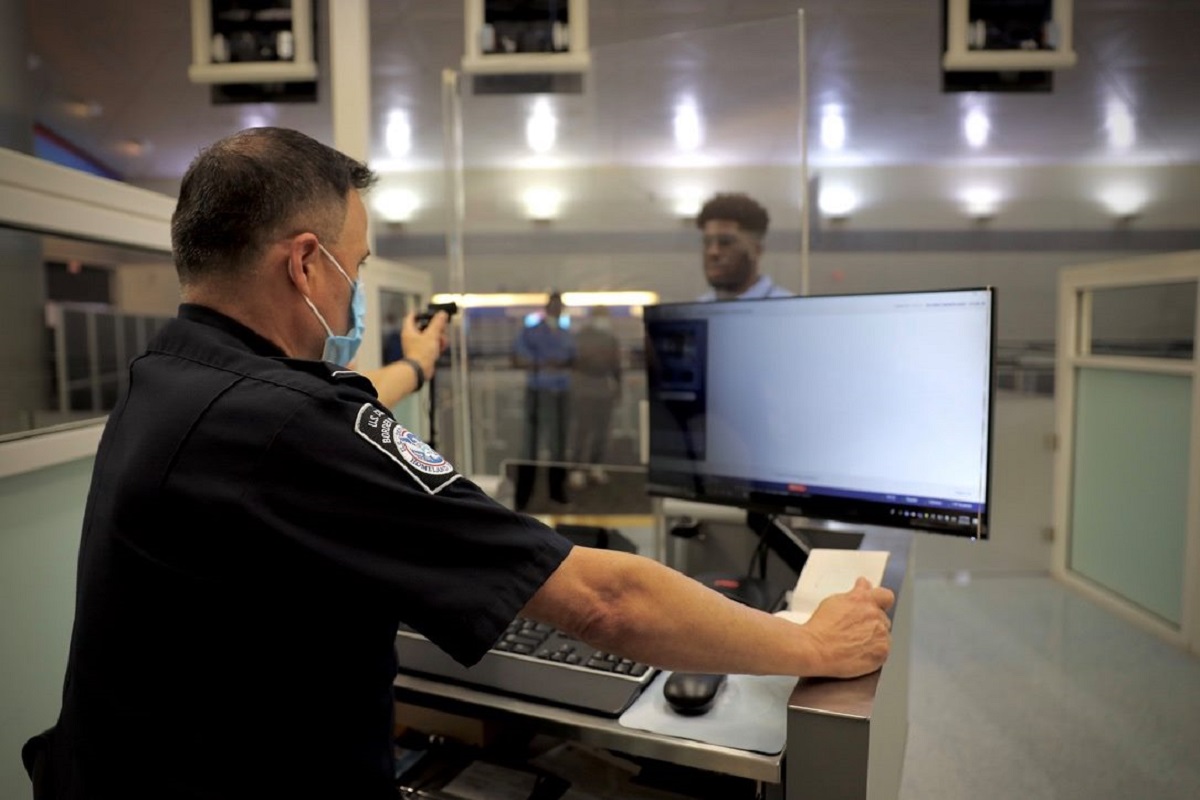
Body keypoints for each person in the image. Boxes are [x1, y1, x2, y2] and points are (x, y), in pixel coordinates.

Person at [31, 128, 893, 799]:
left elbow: (305, 411)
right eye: (354, 267)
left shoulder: (171, 375)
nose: (353, 290)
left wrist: (411, 369)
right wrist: (807, 639)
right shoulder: (293, 426)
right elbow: (605, 600)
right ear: (303, 263)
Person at [511, 291, 575, 510]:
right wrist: (543, 363)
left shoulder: (566, 334)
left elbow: (573, 359)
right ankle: (523, 497)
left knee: (559, 445)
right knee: (530, 445)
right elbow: (520, 358)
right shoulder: (532, 332)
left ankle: (557, 492)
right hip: (539, 393)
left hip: (562, 393)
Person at [696, 192, 792, 301]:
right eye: (707, 243)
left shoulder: (789, 309)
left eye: (725, 242)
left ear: (756, 250)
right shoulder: (697, 309)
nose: (713, 252)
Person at [568, 305, 622, 489]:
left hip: (603, 391)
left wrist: (617, 389)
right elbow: (577, 362)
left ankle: (595, 466)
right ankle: (576, 469)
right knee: (582, 431)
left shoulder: (611, 338)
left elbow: (616, 365)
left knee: (601, 431)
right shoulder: (581, 337)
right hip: (584, 390)